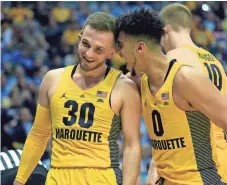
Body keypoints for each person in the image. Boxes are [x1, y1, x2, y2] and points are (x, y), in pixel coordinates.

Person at [116, 8, 227, 185]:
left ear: (140, 47)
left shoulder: (183, 75)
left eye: (121, 46)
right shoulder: (141, 81)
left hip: (200, 176)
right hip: (170, 176)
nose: (118, 53)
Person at [14, 12, 141, 185]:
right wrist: (19, 181)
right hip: (58, 176)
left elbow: (132, 146)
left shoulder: (124, 87)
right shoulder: (53, 79)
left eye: (99, 49)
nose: (88, 54)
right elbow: (38, 134)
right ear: (79, 37)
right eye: (85, 44)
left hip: (102, 177)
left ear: (112, 52)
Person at [145, 4, 227, 185]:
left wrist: (155, 166)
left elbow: (162, 121)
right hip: (225, 159)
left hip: (195, 162)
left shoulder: (172, 61)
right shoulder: (214, 61)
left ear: (164, 30)